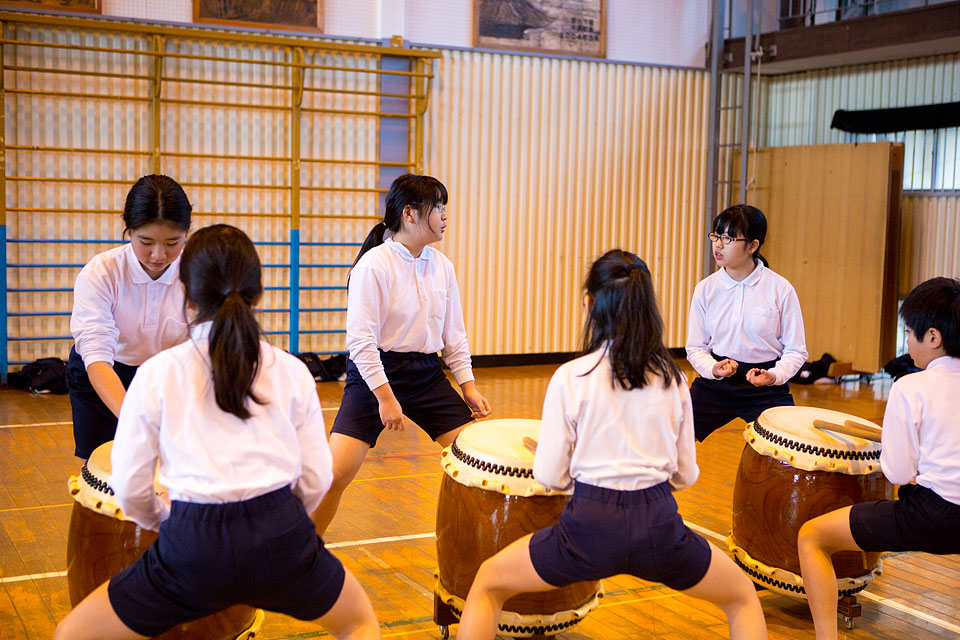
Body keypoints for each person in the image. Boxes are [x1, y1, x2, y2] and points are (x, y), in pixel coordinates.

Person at [53, 225, 380, 640]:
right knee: (359, 623)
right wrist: (280, 525)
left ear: (186, 295)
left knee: (72, 634)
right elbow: (316, 478)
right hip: (281, 535)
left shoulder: (157, 374)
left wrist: (165, 519)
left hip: (191, 543)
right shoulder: (293, 371)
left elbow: (132, 487)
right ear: (258, 295)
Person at [456, 249, 768, 640]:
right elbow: (685, 475)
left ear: (590, 304)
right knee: (742, 597)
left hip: (588, 526)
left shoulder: (572, 377)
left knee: (488, 583)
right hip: (658, 526)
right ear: (646, 306)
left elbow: (550, 476)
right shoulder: (672, 378)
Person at [311, 174, 491, 535]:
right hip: (374, 376)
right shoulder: (373, 266)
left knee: (475, 462)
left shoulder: (443, 266)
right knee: (333, 476)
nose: (444, 215)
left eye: (444, 207)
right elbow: (361, 343)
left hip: (426, 374)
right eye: (437, 207)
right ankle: (300, 551)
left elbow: (454, 336)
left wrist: (468, 386)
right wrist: (385, 398)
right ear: (409, 214)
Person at [798, 277, 960, 640]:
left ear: (933, 337)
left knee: (811, 536)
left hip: (935, 517)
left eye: (909, 333)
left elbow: (898, 473)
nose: (907, 342)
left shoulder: (910, 387)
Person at [67, 175, 192, 459]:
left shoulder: (196, 273)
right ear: (127, 225)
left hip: (164, 376)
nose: (159, 255)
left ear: (187, 231)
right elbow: (97, 357)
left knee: (167, 466)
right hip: (104, 374)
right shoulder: (102, 273)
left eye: (173, 242)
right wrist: (134, 419)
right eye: (145, 241)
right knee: (101, 465)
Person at [685, 204, 807, 441]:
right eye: (716, 236)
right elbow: (696, 348)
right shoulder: (705, 289)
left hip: (765, 386)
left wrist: (775, 375)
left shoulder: (781, 289)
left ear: (752, 246)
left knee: (790, 444)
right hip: (716, 383)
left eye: (729, 239)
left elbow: (796, 350)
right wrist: (712, 369)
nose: (718, 245)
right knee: (673, 431)